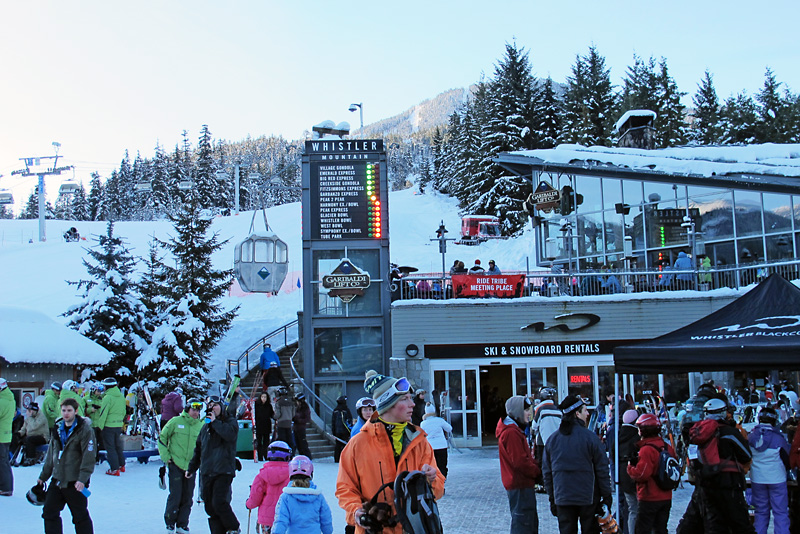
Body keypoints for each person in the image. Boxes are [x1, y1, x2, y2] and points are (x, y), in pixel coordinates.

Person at [336, 370, 444, 534]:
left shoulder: (419, 442)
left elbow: (438, 490)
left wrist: (432, 479)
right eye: (404, 399)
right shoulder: (357, 444)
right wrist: (358, 512)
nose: (412, 404)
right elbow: (345, 489)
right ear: (387, 403)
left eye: (410, 398)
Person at [677, 398, 755, 534]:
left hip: (705, 483)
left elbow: (693, 456)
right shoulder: (730, 432)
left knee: (713, 523)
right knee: (741, 524)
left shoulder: (698, 432)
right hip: (729, 484)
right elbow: (746, 455)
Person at [543, 395, 612, 534]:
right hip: (588, 497)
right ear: (577, 413)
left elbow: (547, 473)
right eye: (585, 410)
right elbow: (602, 469)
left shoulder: (553, 440)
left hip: (563, 497)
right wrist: (607, 496)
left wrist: (552, 497)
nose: (588, 414)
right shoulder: (590, 438)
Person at [37, 397, 96, 533]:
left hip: (75, 482)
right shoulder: (57, 429)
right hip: (58, 480)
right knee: (49, 512)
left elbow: (89, 456)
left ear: (76, 411)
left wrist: (82, 479)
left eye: (69, 410)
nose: (66, 414)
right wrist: (43, 476)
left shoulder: (85, 430)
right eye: (63, 410)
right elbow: (51, 455)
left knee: (80, 517)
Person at [187, 394, 241, 534]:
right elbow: (199, 448)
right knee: (210, 507)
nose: (212, 408)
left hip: (223, 470)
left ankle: (233, 527)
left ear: (221, 407)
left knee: (219, 502)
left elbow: (230, 435)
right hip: (207, 470)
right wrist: (192, 467)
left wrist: (215, 422)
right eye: (210, 406)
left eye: (215, 405)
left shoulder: (229, 421)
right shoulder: (205, 427)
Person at [158, 397, 204, 534]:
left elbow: (205, 444)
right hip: (176, 464)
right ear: (187, 409)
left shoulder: (201, 426)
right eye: (193, 410)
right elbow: (162, 438)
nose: (195, 413)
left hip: (191, 467)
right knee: (175, 495)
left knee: (187, 496)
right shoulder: (175, 422)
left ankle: (182, 524)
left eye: (198, 410)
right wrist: (166, 457)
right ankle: (170, 522)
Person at [497, 395, 540, 534]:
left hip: (521, 485)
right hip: (520, 486)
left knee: (527, 523)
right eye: (526, 410)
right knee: (523, 525)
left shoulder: (515, 430)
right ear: (517, 412)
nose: (529, 413)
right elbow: (520, 462)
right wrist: (537, 472)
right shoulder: (511, 433)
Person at [626, 413, 675, 534]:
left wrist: (630, 467)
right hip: (666, 496)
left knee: (642, 530)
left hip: (649, 497)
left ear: (643, 430)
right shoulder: (667, 447)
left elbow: (642, 474)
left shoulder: (646, 449)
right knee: (661, 529)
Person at [748, 406, 790, 534]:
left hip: (757, 479)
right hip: (777, 479)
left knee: (760, 511)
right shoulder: (779, 438)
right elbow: (786, 460)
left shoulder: (751, 437)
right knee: (780, 512)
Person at [272, 455, 333, 534]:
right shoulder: (318, 496)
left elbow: (281, 520)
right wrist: (328, 531)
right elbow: (326, 518)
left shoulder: (286, 497)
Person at [246, 440, 293, 534]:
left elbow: (255, 498)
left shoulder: (261, 475)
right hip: (286, 518)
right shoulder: (292, 475)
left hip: (266, 520)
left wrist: (249, 504)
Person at [616, 410, 641, 534]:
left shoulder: (617, 435)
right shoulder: (637, 436)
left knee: (632, 509)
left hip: (622, 475)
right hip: (635, 475)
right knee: (641, 508)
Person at [96, 377, 126, 476]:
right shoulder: (121, 396)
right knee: (118, 445)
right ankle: (122, 465)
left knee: (110, 447)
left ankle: (114, 469)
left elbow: (103, 413)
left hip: (108, 425)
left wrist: (100, 426)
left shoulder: (107, 397)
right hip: (118, 424)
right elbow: (124, 411)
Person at [420, 403, 452, 478]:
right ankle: (442, 480)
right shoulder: (440, 420)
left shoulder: (423, 424)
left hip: (430, 447)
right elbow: (449, 428)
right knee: (442, 465)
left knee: (433, 465)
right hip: (442, 446)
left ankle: (434, 482)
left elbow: (422, 435)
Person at [531, 387, 561, 465]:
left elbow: (534, 426)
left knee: (542, 464)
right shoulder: (559, 410)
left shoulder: (540, 410)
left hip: (542, 443)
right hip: (556, 442)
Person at [17, 402, 49, 466]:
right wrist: (18, 434)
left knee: (29, 440)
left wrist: (30, 417)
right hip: (31, 436)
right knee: (20, 439)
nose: (28, 412)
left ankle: (31, 458)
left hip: (42, 437)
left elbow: (34, 426)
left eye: (30, 410)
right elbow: (24, 429)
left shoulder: (41, 417)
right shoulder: (28, 418)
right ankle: (17, 458)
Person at [0, 377, 14, 496]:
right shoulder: (9, 399)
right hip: (5, 435)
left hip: (0, 436)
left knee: (2, 462)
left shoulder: (2, 401)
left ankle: (5, 487)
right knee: (3, 461)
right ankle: (5, 486)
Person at [254, 392, 274, 461]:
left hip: (267, 426)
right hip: (259, 425)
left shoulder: (269, 406)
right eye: (262, 397)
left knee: (266, 442)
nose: (264, 399)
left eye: (265, 397)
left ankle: (266, 455)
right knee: (259, 442)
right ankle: (260, 456)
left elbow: (272, 415)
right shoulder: (257, 405)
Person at [331, 395, 352, 463]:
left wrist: (333, 432)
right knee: (345, 446)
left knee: (337, 446)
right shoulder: (346, 410)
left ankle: (337, 459)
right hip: (345, 431)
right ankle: (345, 459)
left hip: (337, 432)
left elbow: (333, 422)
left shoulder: (335, 410)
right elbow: (349, 421)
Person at [293, 393, 312, 458]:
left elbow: (307, 419)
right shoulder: (297, 407)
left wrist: (298, 420)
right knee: (298, 444)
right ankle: (301, 456)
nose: (297, 402)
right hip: (296, 427)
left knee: (303, 444)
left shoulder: (305, 407)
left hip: (301, 428)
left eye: (298, 401)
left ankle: (308, 456)